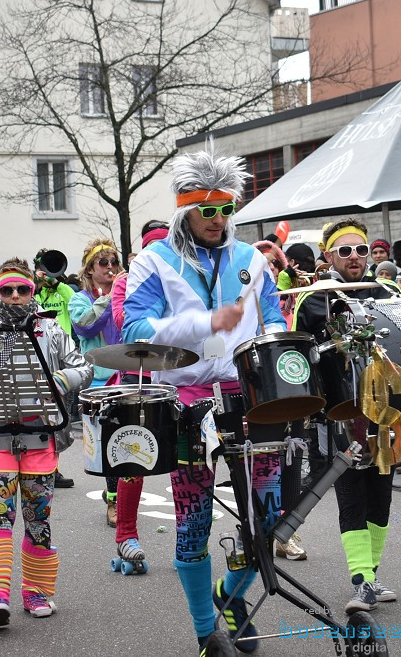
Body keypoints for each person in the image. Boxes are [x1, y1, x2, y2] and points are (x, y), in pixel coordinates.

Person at [122, 149, 286, 654]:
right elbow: (132, 328)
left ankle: (229, 596)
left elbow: (274, 319)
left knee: (272, 512)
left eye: (225, 209)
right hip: (187, 399)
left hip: (248, 396)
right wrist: (202, 323)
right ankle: (204, 630)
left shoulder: (252, 259)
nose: (217, 220)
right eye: (206, 210)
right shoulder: (153, 261)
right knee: (193, 519)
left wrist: (274, 344)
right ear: (184, 212)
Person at [0, 259, 92, 627]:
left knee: (38, 520)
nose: (14, 296)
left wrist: (61, 379)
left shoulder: (49, 328)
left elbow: (84, 367)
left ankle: (36, 592)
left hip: (40, 438)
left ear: (32, 289)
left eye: (22, 289)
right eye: (6, 290)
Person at [297, 218, 399, 612]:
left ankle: (372, 574)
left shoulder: (384, 291)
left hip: (385, 411)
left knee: (382, 495)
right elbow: (298, 358)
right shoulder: (314, 299)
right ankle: (362, 580)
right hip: (341, 412)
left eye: (361, 249)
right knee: (352, 495)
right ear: (328, 256)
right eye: (345, 251)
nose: (355, 257)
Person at [108, 221, 169, 569]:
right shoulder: (125, 281)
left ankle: (190, 540)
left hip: (179, 374)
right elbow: (121, 320)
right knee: (135, 455)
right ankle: (126, 536)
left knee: (187, 460)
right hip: (137, 373)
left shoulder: (185, 278)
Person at [69, 237, 124, 527]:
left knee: (127, 441)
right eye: (104, 262)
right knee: (107, 445)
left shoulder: (125, 292)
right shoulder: (80, 299)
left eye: (114, 261)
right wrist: (111, 295)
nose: (111, 267)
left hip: (126, 376)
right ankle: (115, 500)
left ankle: (118, 494)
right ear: (89, 269)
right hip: (98, 382)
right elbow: (86, 324)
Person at [33, 249, 76, 336]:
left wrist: (56, 284)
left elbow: (75, 303)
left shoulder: (63, 290)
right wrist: (37, 285)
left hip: (64, 344)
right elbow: (31, 307)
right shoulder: (34, 292)